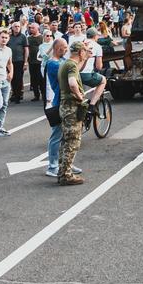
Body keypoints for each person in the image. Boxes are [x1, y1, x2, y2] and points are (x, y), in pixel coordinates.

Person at [56, 39, 89, 185]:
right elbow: (72, 82)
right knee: (72, 141)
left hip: (65, 106)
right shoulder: (71, 66)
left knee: (65, 140)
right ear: (80, 52)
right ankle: (66, 175)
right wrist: (80, 96)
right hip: (71, 106)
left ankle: (62, 171)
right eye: (84, 52)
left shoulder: (67, 63)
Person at [43, 37, 74, 178]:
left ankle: (65, 163)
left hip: (64, 101)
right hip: (58, 102)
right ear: (57, 48)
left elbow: (76, 72)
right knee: (56, 135)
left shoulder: (62, 61)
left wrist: (84, 58)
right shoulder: (53, 64)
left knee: (67, 135)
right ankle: (52, 166)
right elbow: (71, 74)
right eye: (64, 47)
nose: (66, 49)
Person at [8, 22, 28, 104]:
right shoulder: (9, 37)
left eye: (18, 26)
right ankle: (14, 94)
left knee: (19, 78)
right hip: (10, 61)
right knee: (12, 78)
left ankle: (18, 95)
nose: (17, 28)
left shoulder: (23, 37)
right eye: (15, 26)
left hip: (20, 60)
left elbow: (26, 49)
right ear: (12, 28)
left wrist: (26, 61)